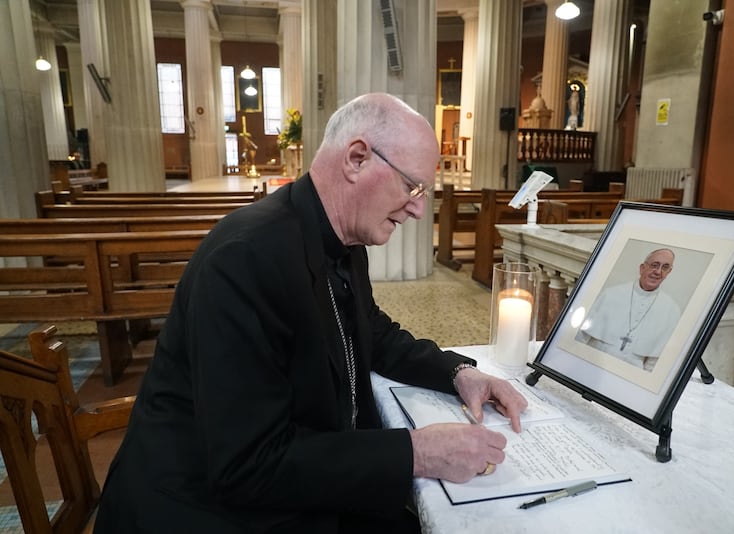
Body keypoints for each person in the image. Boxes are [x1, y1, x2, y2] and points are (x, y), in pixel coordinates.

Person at [94, 93, 528, 533]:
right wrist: (417, 452)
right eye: (411, 187)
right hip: (200, 510)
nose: (419, 209)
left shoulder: (345, 239)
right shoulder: (245, 259)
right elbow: (246, 465)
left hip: (293, 481)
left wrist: (458, 373)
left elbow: (370, 332)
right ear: (356, 158)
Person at [576, 248, 681, 372]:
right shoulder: (611, 294)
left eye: (665, 267)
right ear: (642, 268)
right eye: (654, 265)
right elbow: (580, 338)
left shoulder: (671, 310)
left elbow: (653, 364)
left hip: (631, 372)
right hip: (592, 362)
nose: (658, 272)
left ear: (669, 272)